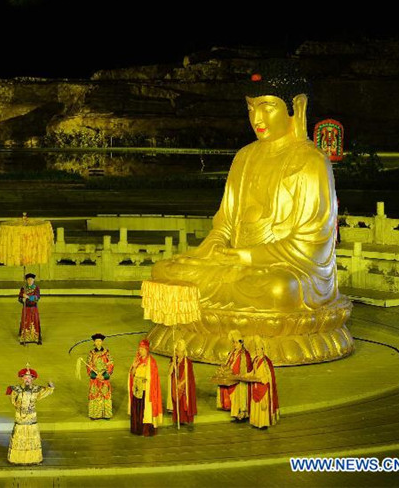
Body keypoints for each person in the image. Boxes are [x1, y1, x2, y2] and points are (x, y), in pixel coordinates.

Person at [147, 62, 351, 366]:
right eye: (251, 108)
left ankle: (230, 333)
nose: (257, 118)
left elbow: (312, 247)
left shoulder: (310, 162)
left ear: (296, 106)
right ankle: (224, 323)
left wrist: (246, 257)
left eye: (268, 107)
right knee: (166, 272)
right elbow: (225, 224)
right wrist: (215, 247)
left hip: (287, 270)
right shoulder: (244, 157)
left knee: (279, 290)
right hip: (233, 266)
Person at [6, 366, 55, 465]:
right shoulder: (16, 389)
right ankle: (18, 459)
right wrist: (20, 406)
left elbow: (47, 391)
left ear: (33, 379)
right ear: (22, 378)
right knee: (20, 437)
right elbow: (13, 401)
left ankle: (33, 458)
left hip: (31, 417)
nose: (27, 380)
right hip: (20, 416)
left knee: (32, 437)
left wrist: (50, 386)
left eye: (29, 378)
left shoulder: (37, 389)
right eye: (25, 377)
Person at [127, 339, 163, 436]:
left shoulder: (152, 362)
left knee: (145, 410)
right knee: (137, 410)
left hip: (146, 390)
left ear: (147, 350)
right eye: (139, 349)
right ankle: (137, 429)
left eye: (142, 349)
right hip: (137, 390)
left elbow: (154, 378)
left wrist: (146, 381)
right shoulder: (137, 360)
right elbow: (132, 375)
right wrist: (134, 367)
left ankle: (145, 430)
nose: (140, 351)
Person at [217, 330, 252, 421]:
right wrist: (224, 369)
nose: (234, 344)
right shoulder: (232, 352)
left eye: (236, 342)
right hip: (230, 377)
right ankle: (231, 408)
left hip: (239, 380)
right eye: (234, 342)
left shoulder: (245, 354)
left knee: (238, 390)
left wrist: (237, 375)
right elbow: (228, 363)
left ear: (241, 343)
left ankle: (240, 412)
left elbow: (246, 369)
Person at [247, 336, 280, 429]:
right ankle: (256, 422)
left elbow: (269, 376)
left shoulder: (266, 362)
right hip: (255, 385)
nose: (257, 351)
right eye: (256, 349)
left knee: (263, 406)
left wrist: (261, 379)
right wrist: (246, 375)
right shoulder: (255, 360)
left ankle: (263, 423)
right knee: (255, 404)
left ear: (263, 350)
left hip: (263, 387)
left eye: (258, 349)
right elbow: (253, 372)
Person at [167, 338, 197, 426]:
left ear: (183, 352)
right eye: (177, 351)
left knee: (184, 402)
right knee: (176, 403)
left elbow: (189, 376)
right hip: (175, 384)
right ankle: (178, 419)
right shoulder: (174, 360)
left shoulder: (188, 362)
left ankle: (185, 419)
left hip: (183, 385)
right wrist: (173, 363)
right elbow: (169, 372)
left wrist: (181, 384)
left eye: (179, 351)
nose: (178, 353)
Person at [86, 333, 114, 420]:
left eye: (100, 341)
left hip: (104, 377)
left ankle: (106, 414)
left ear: (102, 342)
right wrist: (95, 375)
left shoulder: (106, 353)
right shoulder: (91, 353)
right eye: (96, 341)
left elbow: (111, 364)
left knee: (105, 395)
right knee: (95, 395)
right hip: (95, 378)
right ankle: (95, 414)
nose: (98, 343)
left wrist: (104, 375)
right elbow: (88, 365)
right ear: (94, 342)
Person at [18, 273, 41, 345]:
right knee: (25, 322)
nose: (30, 281)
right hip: (26, 308)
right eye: (28, 280)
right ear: (26, 280)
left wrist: (27, 297)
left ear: (33, 280)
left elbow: (36, 297)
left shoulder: (36, 288)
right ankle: (24, 338)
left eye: (31, 279)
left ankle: (35, 338)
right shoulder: (23, 288)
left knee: (35, 321)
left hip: (33, 308)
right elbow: (19, 298)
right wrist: (22, 299)